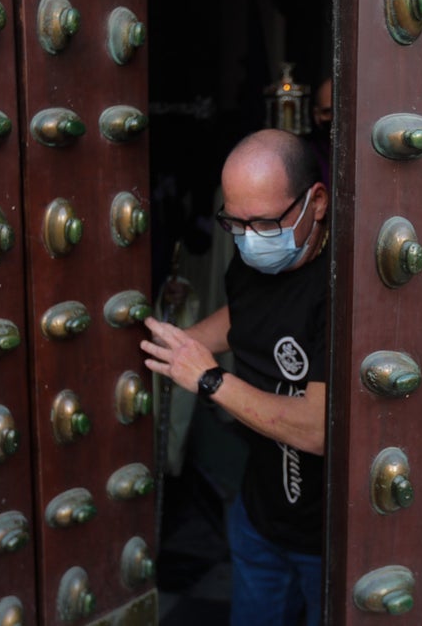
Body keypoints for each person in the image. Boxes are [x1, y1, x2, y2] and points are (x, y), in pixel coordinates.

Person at [140, 128, 330, 626]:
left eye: (264, 222)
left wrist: (209, 380)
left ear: (317, 202)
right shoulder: (250, 264)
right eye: (235, 222)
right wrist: (177, 344)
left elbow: (317, 428)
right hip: (259, 520)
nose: (249, 238)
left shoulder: (341, 287)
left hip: (329, 537)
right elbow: (242, 314)